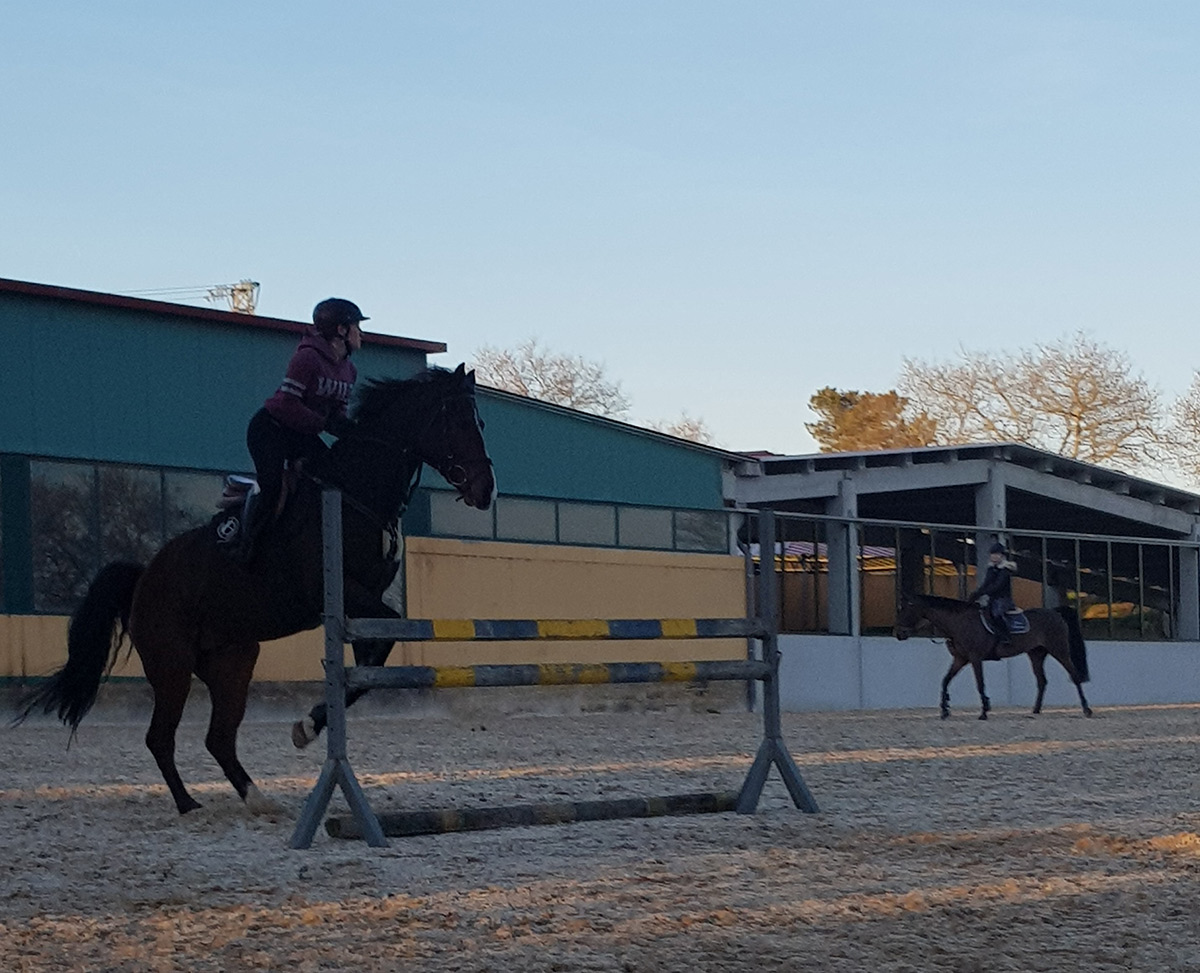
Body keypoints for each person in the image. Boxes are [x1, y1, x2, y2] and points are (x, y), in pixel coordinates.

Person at [234, 297, 366, 560]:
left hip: (301, 433)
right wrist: (323, 423)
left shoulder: (350, 371)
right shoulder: (307, 358)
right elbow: (285, 405)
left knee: (330, 478)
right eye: (356, 327)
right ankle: (247, 543)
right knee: (272, 488)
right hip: (270, 429)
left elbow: (336, 411)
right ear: (341, 330)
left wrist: (348, 430)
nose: (361, 333)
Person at [967, 541, 1018, 644]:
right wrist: (976, 594)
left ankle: (1006, 636)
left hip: (1003, 599)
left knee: (996, 614)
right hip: (993, 599)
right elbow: (986, 584)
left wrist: (983, 593)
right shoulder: (991, 569)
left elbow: (997, 586)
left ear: (1002, 556)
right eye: (992, 554)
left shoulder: (1005, 570)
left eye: (996, 554)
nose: (994, 557)